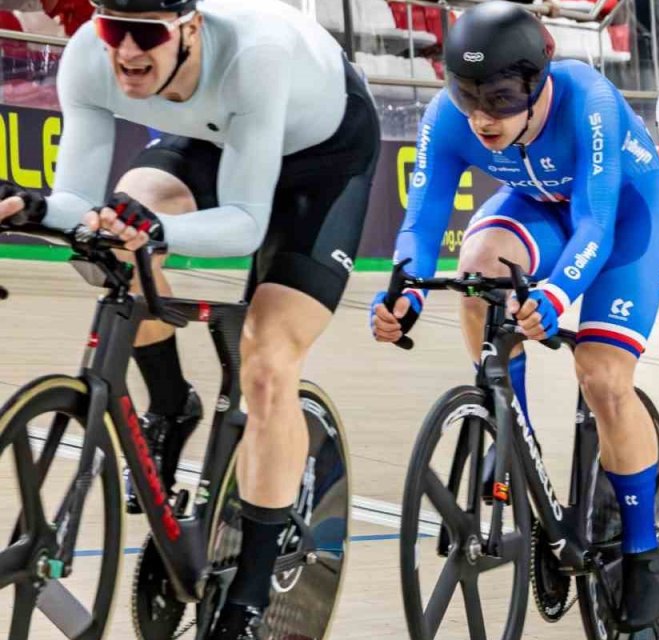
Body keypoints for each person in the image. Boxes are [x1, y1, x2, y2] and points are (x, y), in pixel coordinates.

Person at [0, 0, 380, 636]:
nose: (125, 51)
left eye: (144, 33)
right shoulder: (91, 60)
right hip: (220, 137)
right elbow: (79, 205)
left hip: (324, 158)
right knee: (106, 243)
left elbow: (246, 222)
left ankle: (251, 593)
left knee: (266, 364)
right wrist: (35, 208)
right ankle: (171, 400)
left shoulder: (254, 55)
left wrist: (161, 228)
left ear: (189, 30)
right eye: (112, 29)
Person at [366, 2, 659, 630]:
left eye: (501, 98)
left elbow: (596, 224)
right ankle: (513, 442)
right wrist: (405, 293)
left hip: (621, 219)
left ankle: (643, 549)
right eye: (466, 95)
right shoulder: (446, 118)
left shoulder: (589, 99)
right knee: (478, 264)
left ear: (539, 81)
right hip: (540, 206)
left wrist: (556, 296)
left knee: (602, 376)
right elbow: (423, 225)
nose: (481, 118)